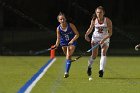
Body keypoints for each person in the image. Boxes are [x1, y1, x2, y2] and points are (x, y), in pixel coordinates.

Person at [85, 6, 112, 78]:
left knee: (103, 53)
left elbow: (110, 33)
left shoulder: (108, 20)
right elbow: (90, 28)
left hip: (105, 38)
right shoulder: (94, 20)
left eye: (100, 12)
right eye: (97, 12)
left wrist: (103, 40)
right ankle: (89, 67)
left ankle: (101, 70)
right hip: (95, 38)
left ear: (103, 13)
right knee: (94, 55)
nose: (99, 14)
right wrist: (86, 35)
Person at [54, 12, 79, 78]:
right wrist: (56, 45)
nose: (62, 20)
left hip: (72, 42)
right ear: (59, 20)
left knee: (68, 55)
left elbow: (77, 34)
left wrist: (72, 40)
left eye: (63, 19)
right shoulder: (58, 28)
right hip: (64, 42)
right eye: (61, 19)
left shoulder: (71, 25)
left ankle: (66, 72)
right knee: (68, 57)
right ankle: (69, 62)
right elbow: (58, 38)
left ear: (65, 19)